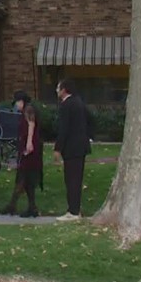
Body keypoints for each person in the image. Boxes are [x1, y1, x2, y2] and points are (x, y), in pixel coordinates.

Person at [53, 79, 90, 222]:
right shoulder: (79, 102)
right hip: (81, 147)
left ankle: (73, 211)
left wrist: (58, 148)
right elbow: (90, 120)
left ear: (64, 90)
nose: (57, 91)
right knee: (76, 179)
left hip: (71, 148)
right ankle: (75, 209)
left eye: (58, 88)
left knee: (71, 180)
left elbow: (64, 129)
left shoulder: (66, 105)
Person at [3, 95, 43, 218]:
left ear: (22, 101)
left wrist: (29, 142)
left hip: (30, 148)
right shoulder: (24, 112)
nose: (16, 105)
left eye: (17, 102)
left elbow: (31, 124)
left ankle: (12, 205)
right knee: (26, 178)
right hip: (26, 146)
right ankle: (31, 207)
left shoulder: (28, 109)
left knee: (23, 175)